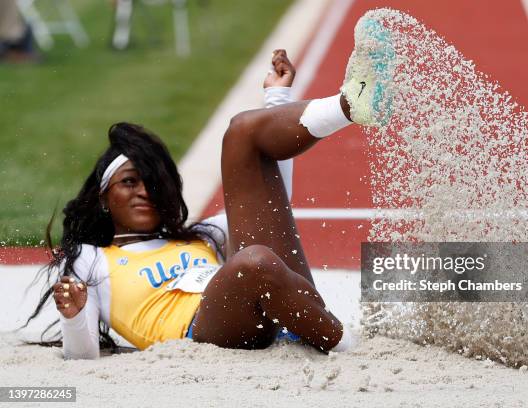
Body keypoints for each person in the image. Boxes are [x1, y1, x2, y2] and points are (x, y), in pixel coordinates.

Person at [24, 42, 387, 358]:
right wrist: (73, 317)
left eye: (152, 183)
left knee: (241, 130)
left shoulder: (203, 236)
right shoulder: (91, 259)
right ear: (103, 197)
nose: (144, 191)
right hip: (203, 333)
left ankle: (351, 103)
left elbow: (276, 199)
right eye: (129, 182)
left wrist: (276, 98)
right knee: (254, 261)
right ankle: (347, 346)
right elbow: (83, 355)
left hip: (284, 305)